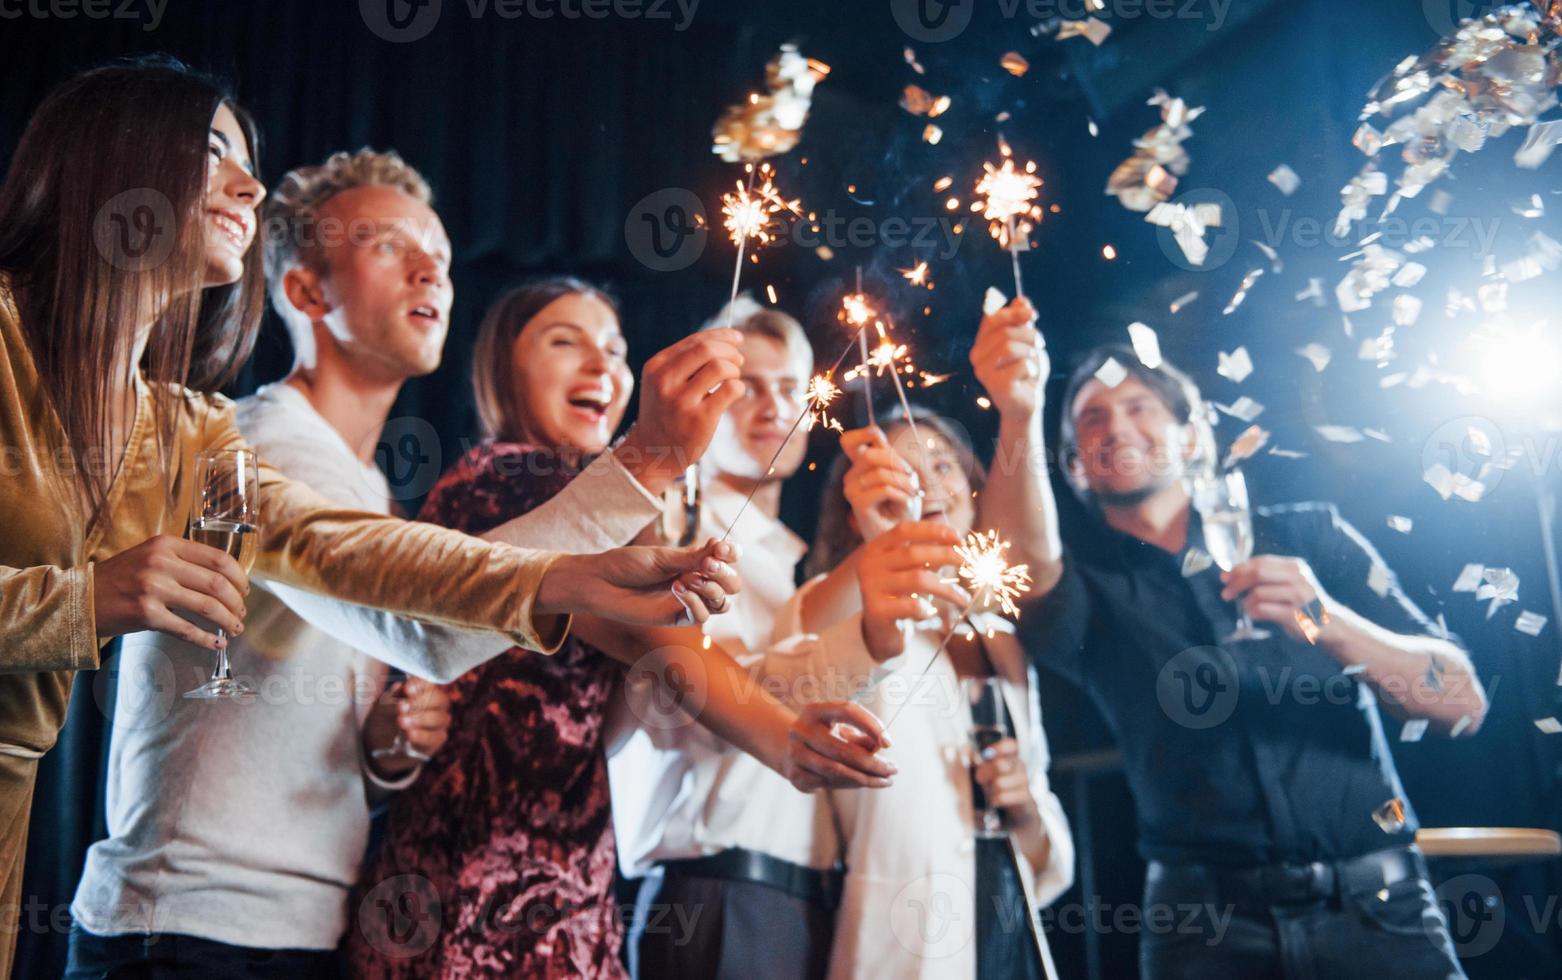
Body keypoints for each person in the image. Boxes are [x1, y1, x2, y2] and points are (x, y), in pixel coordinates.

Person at [0, 59, 736, 975]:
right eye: (211, 148)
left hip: (283, 927)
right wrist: (81, 602)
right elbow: (394, 594)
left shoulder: (181, 434)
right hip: (187, 929)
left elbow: (384, 593)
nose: (248, 185)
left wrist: (391, 747)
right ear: (305, 292)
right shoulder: (251, 436)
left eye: (440, 251)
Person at [347, 285, 894, 978]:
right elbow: (645, 640)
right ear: (503, 369)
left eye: (615, 347)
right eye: (564, 340)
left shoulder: (597, 504)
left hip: (558, 878)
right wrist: (782, 738)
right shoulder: (513, 476)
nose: (600, 363)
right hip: (481, 884)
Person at [1016, 320, 1488, 978]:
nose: (1116, 428)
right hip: (1204, 931)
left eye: (1138, 406)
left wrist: (1330, 623)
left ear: (1189, 436)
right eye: (1092, 419)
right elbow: (1022, 559)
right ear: (1072, 468)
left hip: (1384, 913)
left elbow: (1462, 701)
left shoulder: (1310, 536)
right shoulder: (1087, 593)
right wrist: (1019, 407)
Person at [786, 297, 1074, 980]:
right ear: (858, 508)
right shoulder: (852, 613)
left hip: (1010, 931)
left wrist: (1027, 808)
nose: (929, 483)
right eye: (902, 470)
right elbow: (804, 661)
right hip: (900, 937)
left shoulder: (1005, 642)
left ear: (976, 493)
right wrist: (885, 539)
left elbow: (1048, 835)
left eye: (945, 465)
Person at [609, 297, 856, 980]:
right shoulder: (666, 533)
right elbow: (706, 698)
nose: (772, 406)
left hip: (801, 903)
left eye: (790, 388)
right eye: (745, 387)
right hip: (716, 899)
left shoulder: (788, 562)